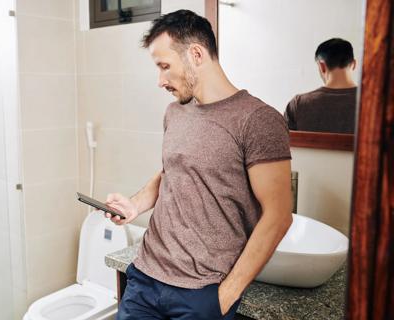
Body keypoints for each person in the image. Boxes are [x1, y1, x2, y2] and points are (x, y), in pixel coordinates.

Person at [104, 10, 293, 320]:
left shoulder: (258, 120)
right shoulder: (175, 113)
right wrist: (134, 205)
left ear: (196, 54)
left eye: (165, 66)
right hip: (144, 278)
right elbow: (171, 172)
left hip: (201, 295)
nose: (160, 81)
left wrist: (225, 296)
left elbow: (278, 216)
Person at [284, 38, 357, 134]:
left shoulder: (298, 104)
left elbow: (282, 144)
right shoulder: (373, 103)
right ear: (354, 64)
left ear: (322, 66)